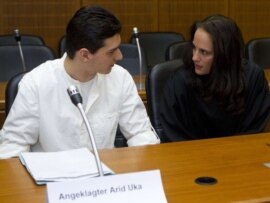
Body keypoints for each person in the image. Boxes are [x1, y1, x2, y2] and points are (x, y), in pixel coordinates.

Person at [0, 6, 160, 159]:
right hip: (52, 181)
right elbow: (12, 148)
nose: (120, 56)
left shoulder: (121, 78)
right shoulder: (36, 83)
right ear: (84, 55)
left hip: (104, 179)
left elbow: (140, 133)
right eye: (111, 51)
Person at [160, 15, 270, 142]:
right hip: (190, 158)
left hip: (240, 156)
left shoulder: (253, 78)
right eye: (194, 48)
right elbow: (174, 139)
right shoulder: (178, 83)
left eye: (204, 52)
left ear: (224, 56)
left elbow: (253, 133)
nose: (194, 57)